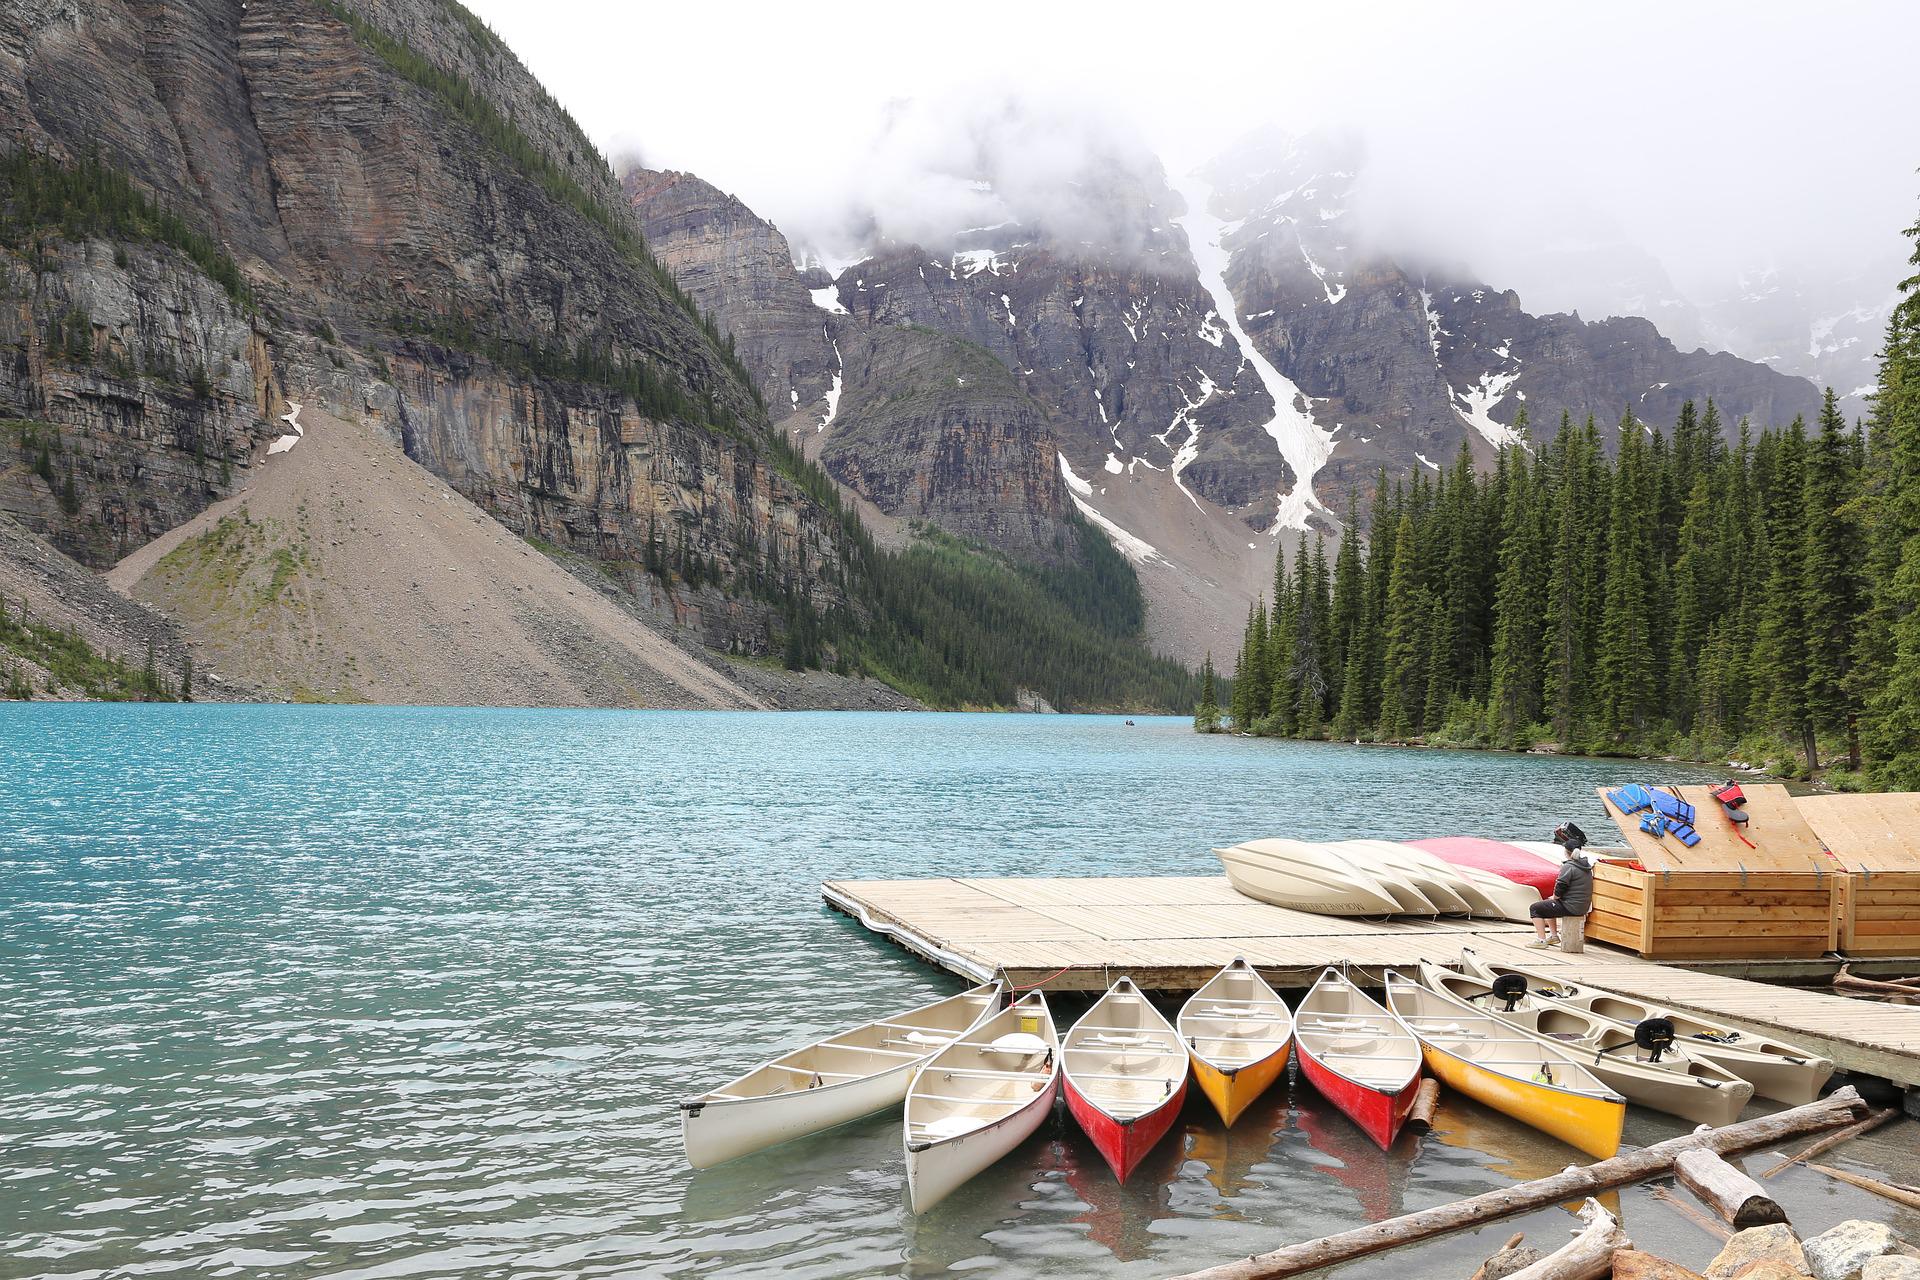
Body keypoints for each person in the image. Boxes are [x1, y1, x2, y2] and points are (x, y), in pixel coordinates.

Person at [1528, 822, 1594, 948]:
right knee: (1547, 903)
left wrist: (1556, 897)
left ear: (1566, 851)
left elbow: (1561, 886)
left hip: (1571, 907)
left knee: (1535, 908)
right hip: (1581, 906)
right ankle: (1553, 936)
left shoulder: (1568, 866)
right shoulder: (1586, 865)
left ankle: (1541, 940)